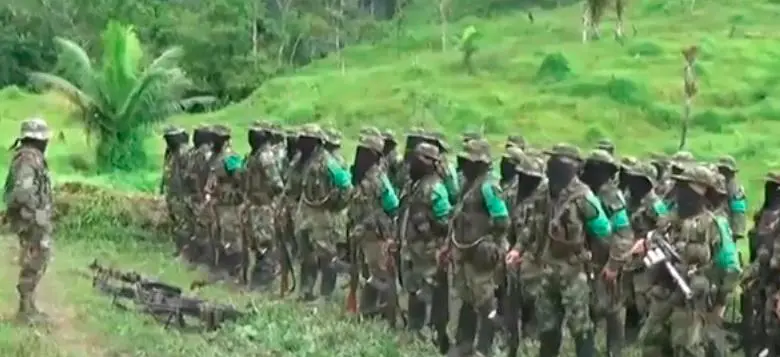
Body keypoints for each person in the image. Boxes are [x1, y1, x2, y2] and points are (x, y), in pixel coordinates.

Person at [506, 143, 614, 357]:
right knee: (548, 327)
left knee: (581, 328)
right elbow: (532, 226)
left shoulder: (584, 198)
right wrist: (518, 249)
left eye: (553, 163)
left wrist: (603, 265)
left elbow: (604, 234)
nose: (547, 167)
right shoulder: (544, 193)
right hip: (547, 271)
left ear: (568, 168)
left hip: (574, 274)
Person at [635, 165, 739, 357]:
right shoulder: (668, 220)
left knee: (687, 350)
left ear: (702, 193)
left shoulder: (714, 224)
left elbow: (731, 267)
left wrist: (719, 306)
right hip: (662, 295)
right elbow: (652, 243)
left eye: (687, 189)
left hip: (691, 303)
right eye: (680, 187)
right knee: (651, 345)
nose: (681, 193)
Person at [450, 139, 510, 356]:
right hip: (467, 253)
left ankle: (489, 348)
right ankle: (464, 344)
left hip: (482, 256)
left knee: (486, 303)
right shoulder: (470, 184)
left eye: (469, 161)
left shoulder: (488, 185)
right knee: (467, 300)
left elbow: (502, 219)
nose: (464, 164)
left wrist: (488, 243)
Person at [286, 124, 353, 301]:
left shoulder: (328, 162)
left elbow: (346, 186)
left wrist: (335, 205)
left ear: (315, 142)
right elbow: (292, 186)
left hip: (323, 216)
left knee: (326, 256)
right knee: (305, 255)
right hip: (304, 213)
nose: (300, 142)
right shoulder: (300, 161)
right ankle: (305, 291)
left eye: (305, 139)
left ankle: (326, 294)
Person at [3, 118, 53, 324]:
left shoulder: (29, 157)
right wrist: (35, 214)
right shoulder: (28, 159)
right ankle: (25, 310)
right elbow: (23, 192)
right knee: (35, 260)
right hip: (31, 221)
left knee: (37, 259)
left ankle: (28, 306)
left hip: (31, 219)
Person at [348, 133, 399, 320]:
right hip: (362, 235)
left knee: (380, 276)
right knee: (367, 275)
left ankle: (388, 313)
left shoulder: (378, 177)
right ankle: (368, 311)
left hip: (376, 236)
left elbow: (393, 205)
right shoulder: (359, 175)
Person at [243, 121, 285, 288]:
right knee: (256, 243)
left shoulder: (265, 156)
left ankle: (264, 280)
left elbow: (277, 184)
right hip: (254, 206)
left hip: (264, 207)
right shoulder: (254, 155)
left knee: (265, 244)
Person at [160, 126, 191, 256]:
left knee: (183, 221)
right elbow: (167, 170)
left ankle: (185, 249)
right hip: (172, 192)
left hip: (182, 193)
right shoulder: (170, 151)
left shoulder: (185, 152)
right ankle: (180, 246)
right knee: (175, 220)